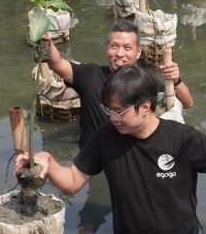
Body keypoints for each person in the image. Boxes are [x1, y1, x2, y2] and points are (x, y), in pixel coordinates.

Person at [18, 65, 206, 234]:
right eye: (107, 110)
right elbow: (73, 182)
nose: (112, 118)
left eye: (119, 112)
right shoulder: (106, 136)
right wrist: (49, 163)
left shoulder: (183, 139)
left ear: (144, 107)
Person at [45, 19, 193, 147]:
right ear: (107, 48)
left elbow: (186, 103)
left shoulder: (146, 82)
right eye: (114, 46)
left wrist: (175, 80)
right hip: (92, 162)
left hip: (128, 158)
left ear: (138, 52)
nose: (120, 53)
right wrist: (42, 36)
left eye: (127, 48)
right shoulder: (90, 75)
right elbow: (56, 63)